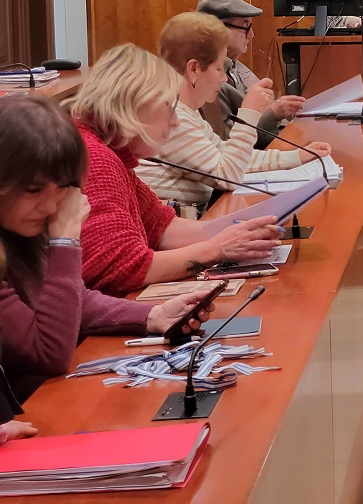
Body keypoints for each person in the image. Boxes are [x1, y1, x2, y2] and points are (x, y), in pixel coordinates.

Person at [0, 96, 213, 397]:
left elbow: (74, 301)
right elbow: (48, 353)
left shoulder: (19, 227)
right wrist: (65, 241)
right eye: (33, 190)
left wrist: (153, 315)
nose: (49, 207)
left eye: (61, 190)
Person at [71, 43, 284, 296]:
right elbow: (121, 268)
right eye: (170, 108)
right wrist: (217, 249)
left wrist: (243, 231)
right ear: (135, 104)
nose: (174, 122)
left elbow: (162, 228)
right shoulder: (95, 158)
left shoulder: (112, 154)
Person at [137, 12, 331, 210]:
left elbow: (230, 158)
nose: (223, 79)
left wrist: (298, 156)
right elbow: (228, 176)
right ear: (194, 69)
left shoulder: (185, 111)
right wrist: (249, 114)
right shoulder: (172, 116)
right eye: (219, 69)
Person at [196, 0, 307, 147]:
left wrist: (282, 111)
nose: (251, 35)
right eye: (245, 27)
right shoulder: (206, 77)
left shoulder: (240, 69)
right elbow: (226, 138)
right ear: (218, 29)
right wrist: (273, 113)